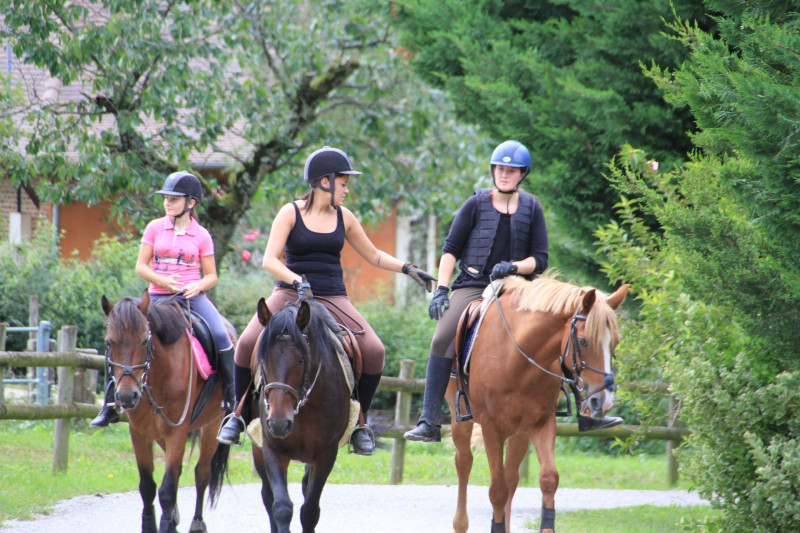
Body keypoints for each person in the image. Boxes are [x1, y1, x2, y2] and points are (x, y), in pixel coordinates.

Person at [217, 146, 435, 454]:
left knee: (374, 350)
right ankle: (238, 417)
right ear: (324, 182)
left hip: (332, 295)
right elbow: (269, 259)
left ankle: (360, 423)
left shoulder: (345, 217)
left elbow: (373, 255)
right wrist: (297, 281)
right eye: (343, 183)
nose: (347, 189)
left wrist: (408, 268)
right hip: (289, 293)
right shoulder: (290, 212)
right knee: (246, 342)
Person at [403, 140, 622, 443]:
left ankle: (588, 411)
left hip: (519, 289)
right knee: (442, 337)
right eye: (500, 169)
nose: (504, 174)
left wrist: (514, 267)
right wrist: (441, 289)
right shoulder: (475, 204)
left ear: (522, 174)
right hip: (474, 287)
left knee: (562, 333)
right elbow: (450, 250)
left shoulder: (532, 208)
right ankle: (428, 420)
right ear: (493, 170)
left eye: (512, 170)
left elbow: (540, 259)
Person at [91, 171, 236, 427]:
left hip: (191, 299)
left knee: (222, 336)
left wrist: (198, 285)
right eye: (166, 198)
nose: (167, 202)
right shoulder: (155, 227)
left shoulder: (202, 235)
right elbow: (140, 267)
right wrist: (163, 281)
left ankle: (232, 402)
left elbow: (212, 275)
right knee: (119, 337)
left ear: (190, 203)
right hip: (156, 298)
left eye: (173, 198)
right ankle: (110, 405)